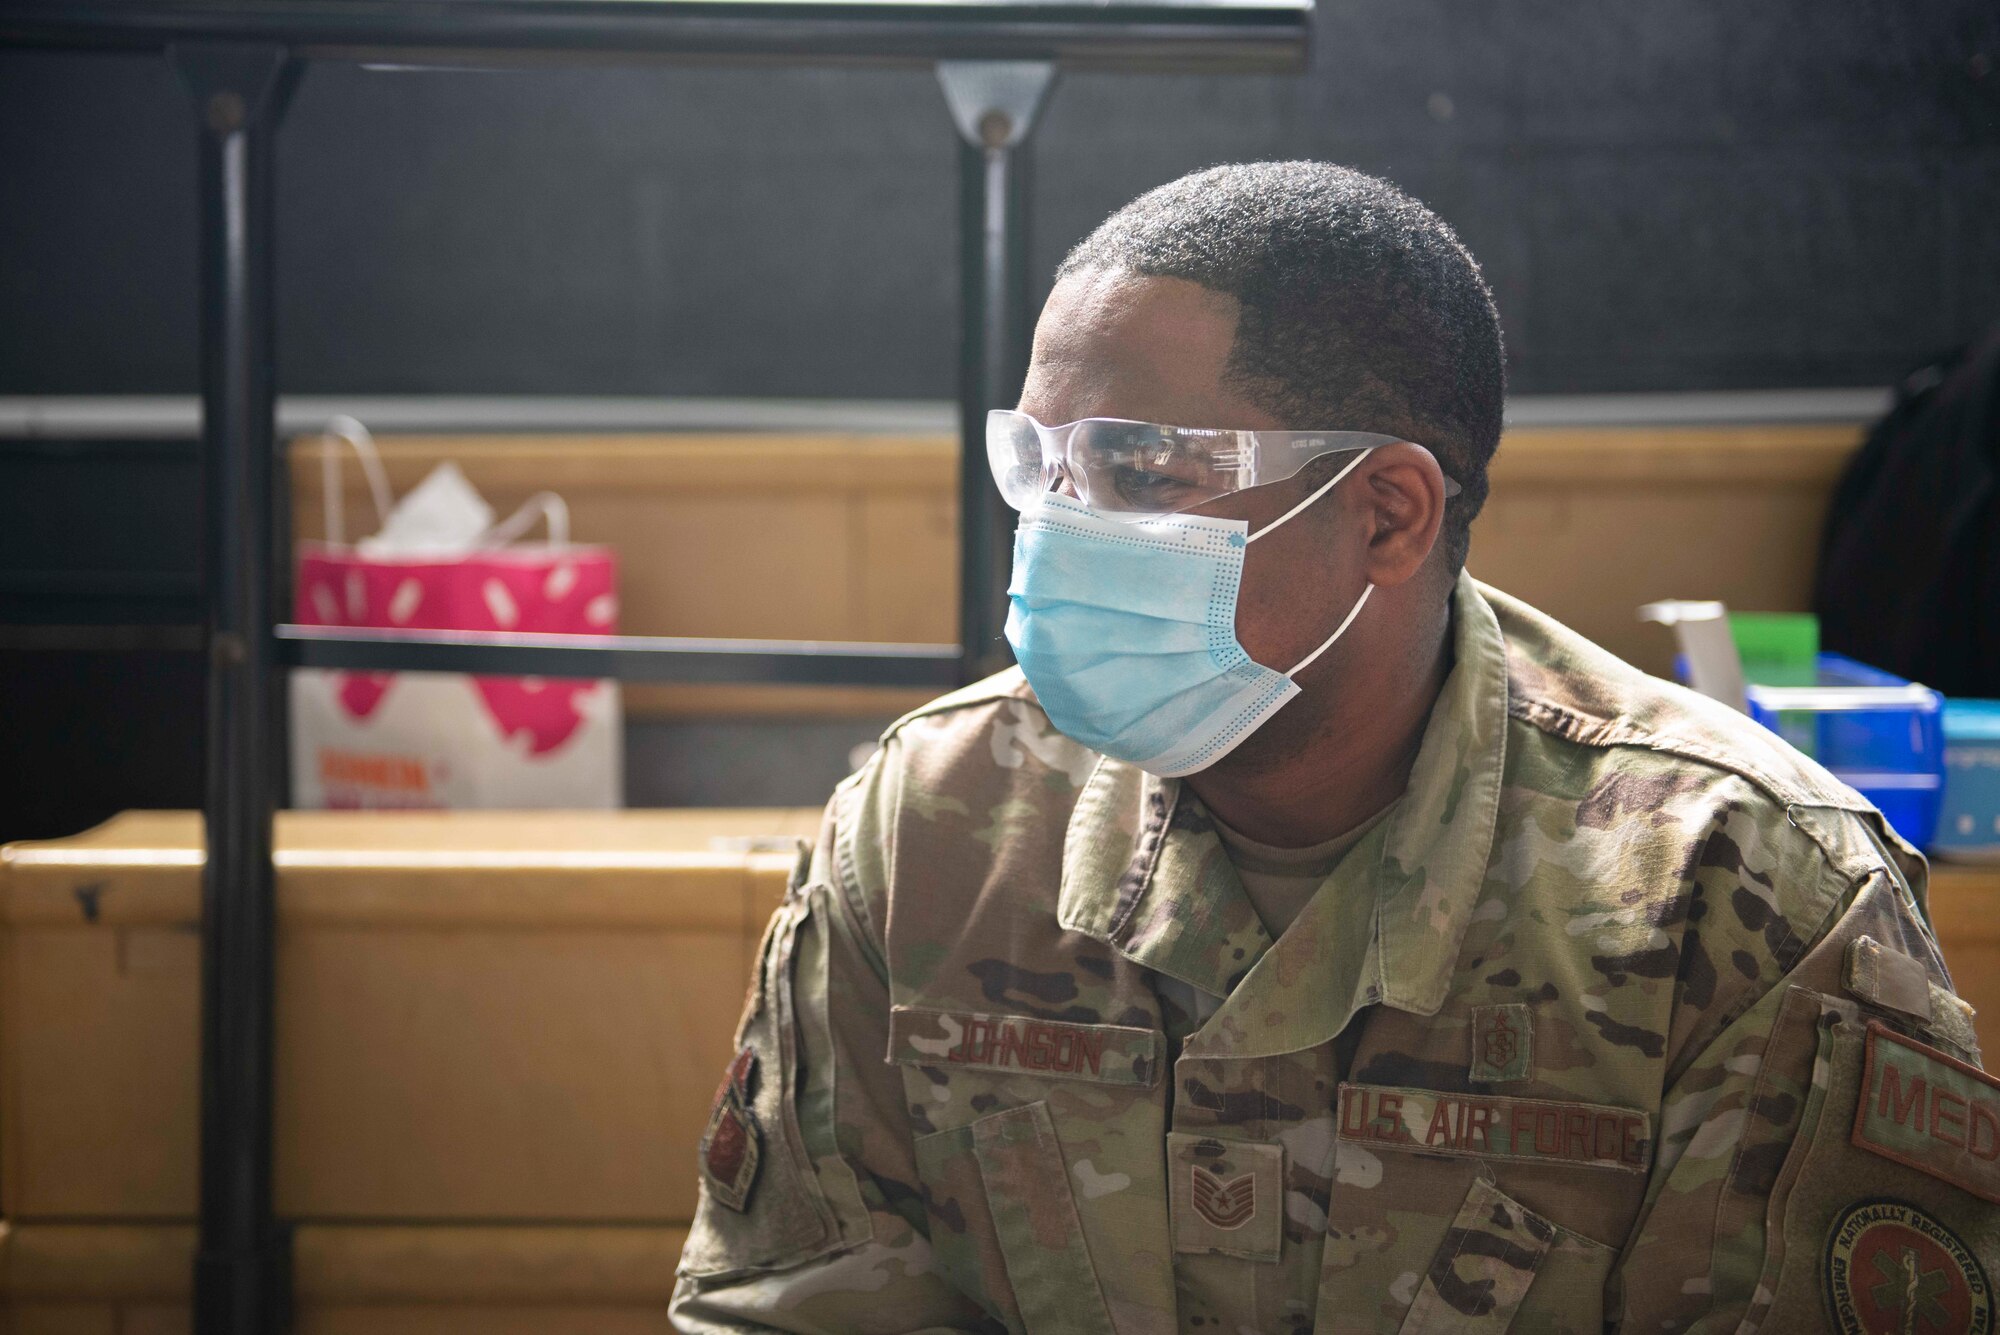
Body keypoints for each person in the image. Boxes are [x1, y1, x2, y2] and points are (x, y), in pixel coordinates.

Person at [671, 162, 1995, 1334]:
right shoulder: (934, 821)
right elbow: (788, 1301)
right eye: (1043, 465)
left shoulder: (1744, 899)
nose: (1061, 530)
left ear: (1385, 516)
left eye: (1138, 468)